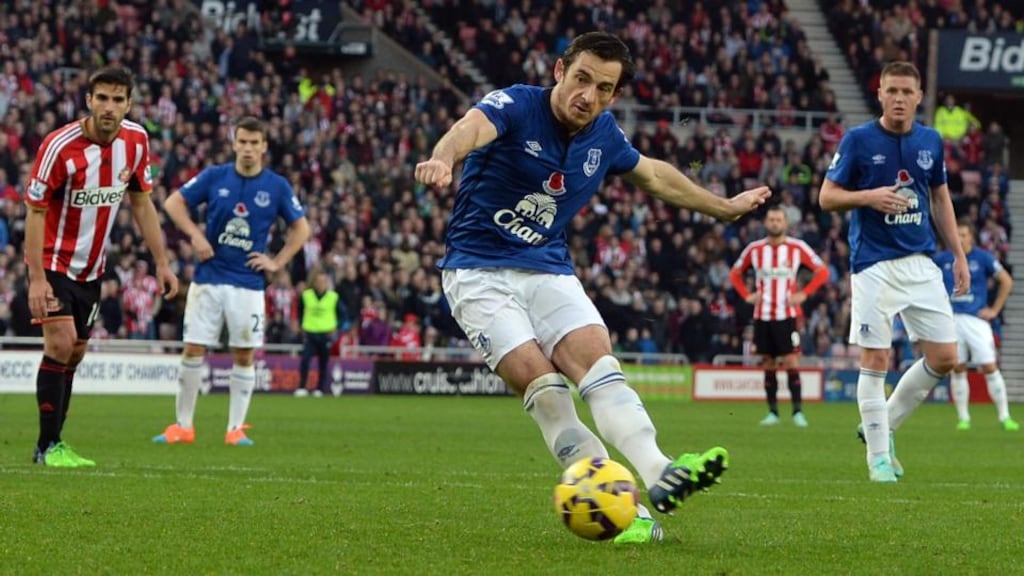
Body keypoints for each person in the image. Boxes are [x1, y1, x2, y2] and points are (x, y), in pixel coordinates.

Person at [414, 32, 770, 543]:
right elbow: (468, 129)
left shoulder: (604, 134)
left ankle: (659, 470)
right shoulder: (516, 103)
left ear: (614, 95)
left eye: (604, 88)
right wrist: (444, 158)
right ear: (560, 71)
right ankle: (623, 514)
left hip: (549, 269)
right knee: (545, 388)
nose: (589, 95)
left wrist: (724, 206)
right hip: (478, 272)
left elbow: (655, 176)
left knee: (600, 367)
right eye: (582, 79)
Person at [820, 61, 969, 483]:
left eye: (907, 92)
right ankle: (879, 460)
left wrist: (957, 254)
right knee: (876, 359)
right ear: (880, 94)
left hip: (922, 262)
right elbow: (827, 197)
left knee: (945, 358)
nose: (900, 99)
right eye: (892, 91)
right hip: (874, 265)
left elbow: (940, 199)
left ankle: (880, 425)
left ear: (919, 96)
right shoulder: (858, 141)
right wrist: (869, 197)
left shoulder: (931, 141)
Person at [25, 66, 179, 467]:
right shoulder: (60, 146)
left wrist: (162, 263)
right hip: (54, 261)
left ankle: (55, 442)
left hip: (93, 269)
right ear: (89, 101)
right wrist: (36, 278)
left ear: (128, 104)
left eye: (118, 100)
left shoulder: (136, 140)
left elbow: (142, 203)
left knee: (74, 354)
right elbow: (35, 212)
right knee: (59, 344)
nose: (110, 107)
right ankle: (48, 446)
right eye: (103, 99)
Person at [153, 116, 310, 446]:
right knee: (193, 348)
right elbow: (172, 203)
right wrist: (195, 235)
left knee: (243, 354)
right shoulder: (215, 176)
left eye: (255, 142)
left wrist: (277, 262)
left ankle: (235, 429)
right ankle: (183, 426)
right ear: (234, 142)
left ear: (264, 146)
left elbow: (301, 229)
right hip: (209, 278)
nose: (249, 148)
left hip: (247, 284)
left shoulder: (277, 186)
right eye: (243, 141)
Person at [729, 205, 829, 427]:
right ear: (766, 223)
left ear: (785, 223)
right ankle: (773, 412)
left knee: (792, 361)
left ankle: (797, 412)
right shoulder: (754, 250)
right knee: (768, 363)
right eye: (771, 219)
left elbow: (823, 271)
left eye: (778, 220)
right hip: (762, 315)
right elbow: (735, 274)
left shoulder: (797, 247)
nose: (775, 223)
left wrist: (804, 293)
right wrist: (747, 295)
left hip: (787, 315)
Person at [934, 221, 1019, 432]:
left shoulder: (983, 258)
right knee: (958, 368)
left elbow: (1007, 281)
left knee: (989, 366)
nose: (960, 238)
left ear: (971, 237)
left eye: (964, 234)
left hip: (976, 320)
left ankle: (1005, 416)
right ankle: (963, 418)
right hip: (951, 319)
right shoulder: (943, 258)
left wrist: (995, 310)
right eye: (957, 234)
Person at [295, 268, 342, 398]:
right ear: (314, 283)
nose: (321, 284)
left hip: (326, 334)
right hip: (310, 334)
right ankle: (302, 387)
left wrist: (336, 327)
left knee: (323, 363)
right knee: (305, 360)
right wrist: (300, 325)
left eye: (323, 281)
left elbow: (343, 314)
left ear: (327, 283)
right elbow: (299, 312)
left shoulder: (333, 297)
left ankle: (319, 389)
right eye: (318, 281)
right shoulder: (306, 296)